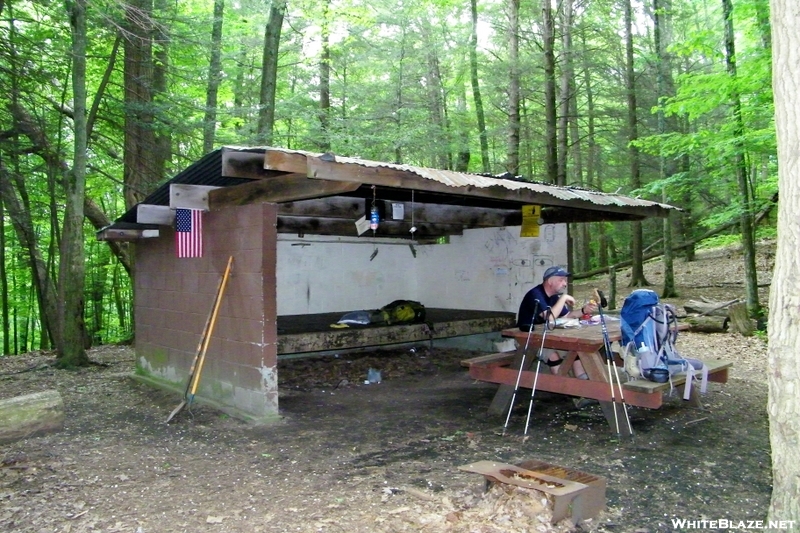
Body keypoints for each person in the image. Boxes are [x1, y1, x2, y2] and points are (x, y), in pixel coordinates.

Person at [517, 266, 598, 407]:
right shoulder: (535, 295)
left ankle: (586, 387)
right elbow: (549, 317)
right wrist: (564, 298)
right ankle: (572, 393)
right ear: (550, 281)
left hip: (549, 337)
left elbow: (567, 316)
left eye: (565, 281)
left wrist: (584, 310)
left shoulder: (554, 297)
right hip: (530, 339)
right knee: (553, 355)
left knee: (576, 349)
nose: (565, 284)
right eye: (561, 280)